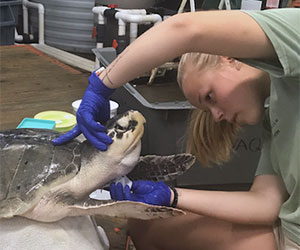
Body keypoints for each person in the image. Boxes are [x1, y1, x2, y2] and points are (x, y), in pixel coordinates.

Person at [53, 8, 300, 250]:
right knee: (144, 226)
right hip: (288, 234)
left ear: (230, 57)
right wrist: (171, 196)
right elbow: (265, 204)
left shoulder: (295, 36)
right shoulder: (276, 112)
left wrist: (102, 84)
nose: (217, 116)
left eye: (210, 96)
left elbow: (184, 29)